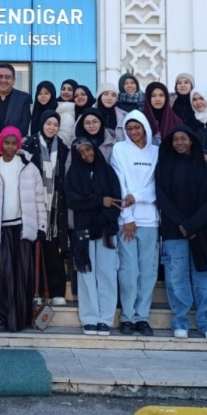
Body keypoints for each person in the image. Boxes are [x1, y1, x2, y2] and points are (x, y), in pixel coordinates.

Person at [0, 127, 46, 333]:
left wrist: (41, 225)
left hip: (22, 227)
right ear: (1, 143)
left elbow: (38, 198)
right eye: (6, 143)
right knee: (1, 274)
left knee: (22, 273)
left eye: (13, 143)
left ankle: (20, 317)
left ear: (19, 145)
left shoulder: (29, 167)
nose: (9, 147)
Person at [156, 125, 207, 340]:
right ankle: (180, 321)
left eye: (184, 138)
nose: (180, 142)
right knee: (176, 278)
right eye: (175, 139)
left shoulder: (204, 167)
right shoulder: (164, 167)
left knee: (206, 280)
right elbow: (162, 198)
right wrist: (182, 224)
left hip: (202, 230)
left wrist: (193, 224)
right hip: (174, 231)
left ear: (192, 141)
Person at [110, 111, 159, 336]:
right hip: (126, 220)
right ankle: (127, 316)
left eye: (137, 127)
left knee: (148, 271)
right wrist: (127, 217)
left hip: (150, 221)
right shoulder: (120, 150)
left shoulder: (156, 152)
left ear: (145, 128)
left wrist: (137, 197)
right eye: (129, 128)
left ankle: (142, 316)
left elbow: (156, 185)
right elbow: (119, 182)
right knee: (129, 271)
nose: (133, 132)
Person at [65, 139, 121, 335]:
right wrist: (99, 202)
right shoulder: (73, 174)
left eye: (88, 150)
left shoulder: (107, 172)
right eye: (80, 152)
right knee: (86, 274)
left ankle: (105, 318)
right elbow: (73, 200)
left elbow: (115, 201)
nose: (86, 155)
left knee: (106, 275)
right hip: (83, 232)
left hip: (105, 231)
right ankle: (89, 318)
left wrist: (101, 215)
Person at [24, 111, 69, 306]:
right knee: (33, 249)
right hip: (32, 204)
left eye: (55, 124)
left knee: (54, 249)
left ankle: (56, 291)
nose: (51, 127)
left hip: (55, 206)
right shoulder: (29, 145)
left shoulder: (64, 148)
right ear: (42, 123)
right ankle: (35, 291)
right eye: (48, 123)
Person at [142, 82, 180, 146]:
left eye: (161, 95)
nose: (158, 99)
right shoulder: (141, 120)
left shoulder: (176, 121)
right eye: (153, 96)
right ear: (148, 98)